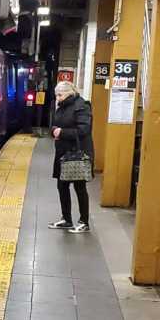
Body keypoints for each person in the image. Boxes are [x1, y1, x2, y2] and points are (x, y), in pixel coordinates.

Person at [49, 80, 94, 233]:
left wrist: (62, 132)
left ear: (70, 93)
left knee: (79, 187)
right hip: (63, 153)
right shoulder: (62, 107)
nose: (58, 98)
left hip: (77, 153)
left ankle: (84, 221)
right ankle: (66, 219)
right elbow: (55, 124)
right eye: (56, 95)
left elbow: (83, 130)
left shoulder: (82, 106)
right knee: (62, 186)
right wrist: (54, 130)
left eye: (60, 95)